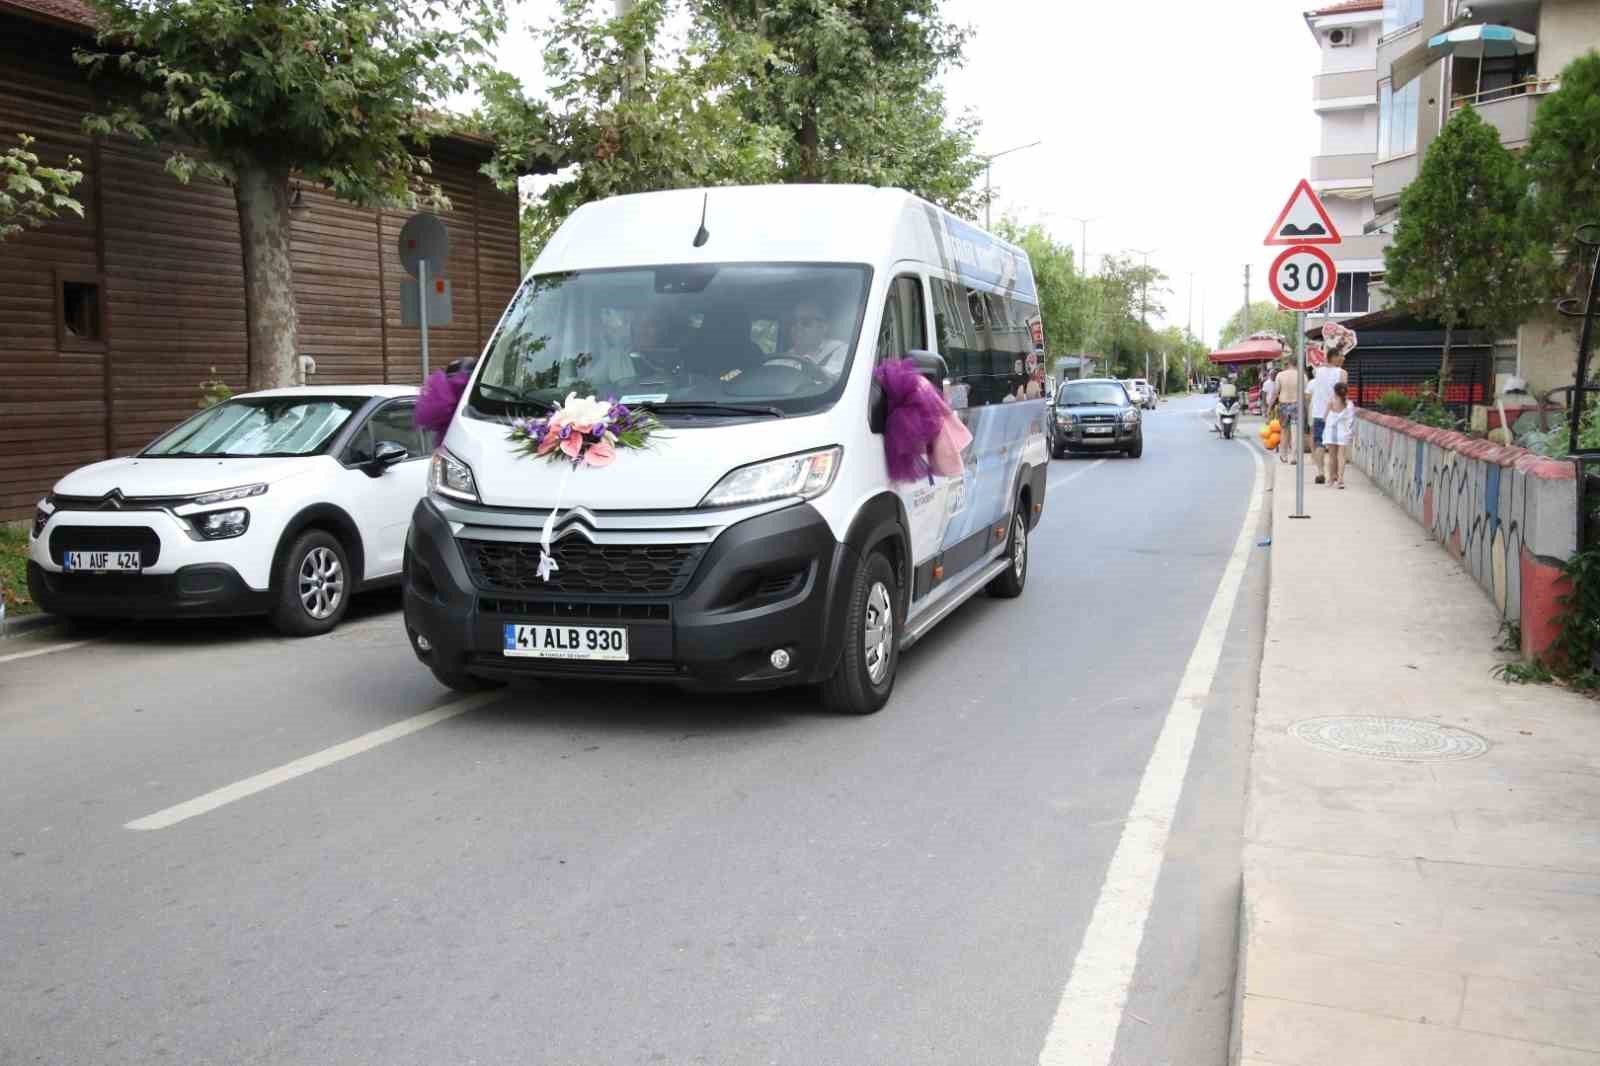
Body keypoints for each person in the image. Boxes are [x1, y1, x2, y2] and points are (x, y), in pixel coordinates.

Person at [1306, 352, 1349, 484]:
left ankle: (1320, 472)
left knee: (1319, 442)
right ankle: (1335, 475)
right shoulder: (1342, 373)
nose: (1343, 358)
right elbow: (1343, 393)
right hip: (1335, 414)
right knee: (1335, 446)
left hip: (1319, 413)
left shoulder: (1318, 371)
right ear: (1334, 357)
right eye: (1341, 356)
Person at [780, 299, 849, 377]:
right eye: (793, 322)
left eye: (806, 322)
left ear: (823, 327)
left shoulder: (841, 350)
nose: (797, 327)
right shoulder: (782, 358)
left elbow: (833, 379)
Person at [1322, 380, 1356, 488]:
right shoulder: (1349, 404)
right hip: (1343, 432)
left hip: (1331, 432)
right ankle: (1340, 480)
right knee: (1341, 457)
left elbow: (1324, 417)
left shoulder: (1331, 402)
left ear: (1334, 391)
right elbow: (1351, 420)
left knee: (1332, 457)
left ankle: (1331, 479)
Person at [1273, 357, 1302, 464]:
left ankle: (1284, 456)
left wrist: (1270, 406)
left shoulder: (1280, 375)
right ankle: (1294, 457)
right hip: (1296, 404)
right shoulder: (1301, 375)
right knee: (1295, 431)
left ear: (1289, 363)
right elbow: (1306, 392)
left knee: (1284, 431)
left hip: (1283, 404)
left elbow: (1276, 392)